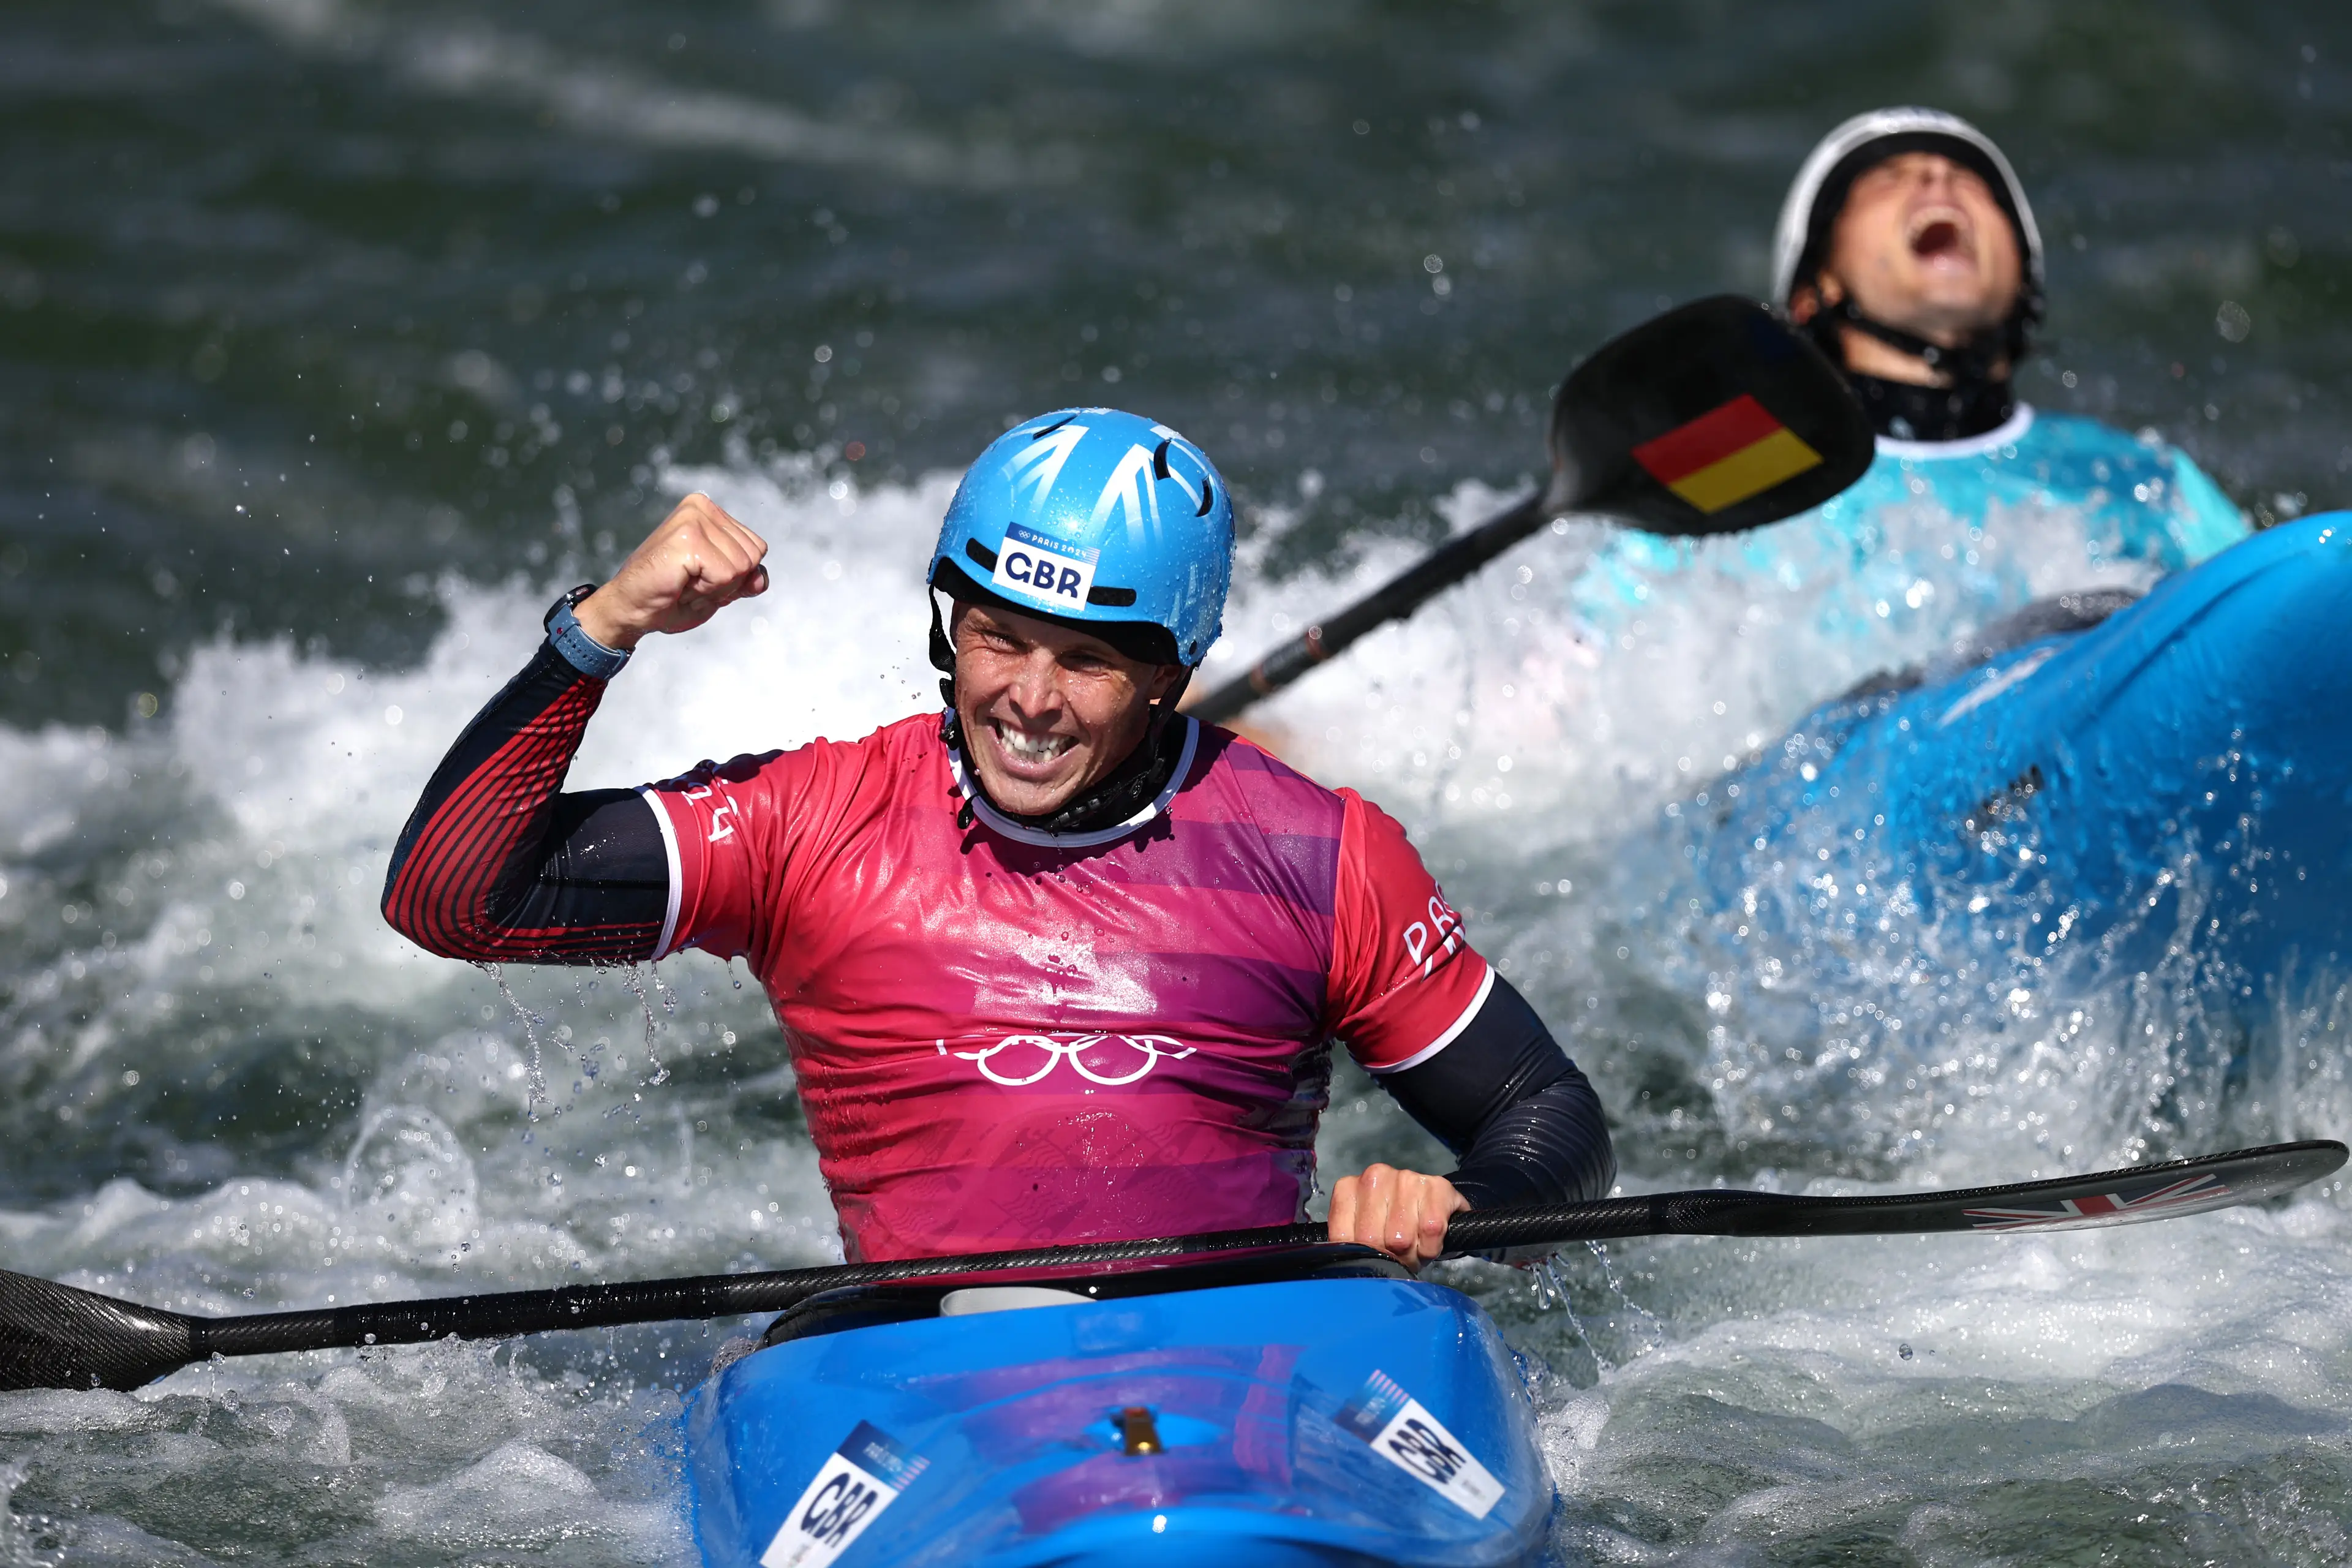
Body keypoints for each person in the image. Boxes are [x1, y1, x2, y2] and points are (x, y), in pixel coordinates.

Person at [382, 409, 1614, 1270]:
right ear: (946, 624)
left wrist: (1454, 1197)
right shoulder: (809, 823)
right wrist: (604, 624)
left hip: (1239, 1360)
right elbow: (453, 897)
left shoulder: (1322, 852)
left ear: (1168, 672)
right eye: (997, 636)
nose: (1027, 695)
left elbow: (1546, 1112)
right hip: (937, 1381)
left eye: (1084, 658)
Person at [1575, 107, 2247, 646]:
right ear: (1814, 291)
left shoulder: (2143, 477)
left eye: (1973, 184)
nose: (1936, 181)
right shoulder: (1726, 475)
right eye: (1886, 179)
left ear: (2024, 282)